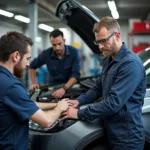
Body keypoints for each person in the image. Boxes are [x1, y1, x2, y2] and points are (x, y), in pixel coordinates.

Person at [62, 16, 146, 150]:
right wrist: (78, 101)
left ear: (117, 36)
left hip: (127, 139)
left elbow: (113, 103)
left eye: (104, 41)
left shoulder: (130, 64)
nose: (100, 47)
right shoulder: (109, 61)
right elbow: (97, 88)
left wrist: (79, 113)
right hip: (110, 133)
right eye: (97, 42)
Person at [0, 31, 68, 150]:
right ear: (16, 56)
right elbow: (46, 121)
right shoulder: (11, 86)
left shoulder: (3, 81)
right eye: (28, 58)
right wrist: (60, 107)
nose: (28, 64)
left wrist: (53, 105)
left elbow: (25, 103)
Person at [29, 29, 80, 99]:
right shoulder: (46, 54)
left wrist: (64, 88)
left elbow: (75, 75)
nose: (57, 47)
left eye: (59, 44)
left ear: (64, 41)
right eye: (54, 45)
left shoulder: (74, 52)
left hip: (70, 87)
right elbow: (32, 66)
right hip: (52, 87)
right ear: (51, 43)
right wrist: (34, 83)